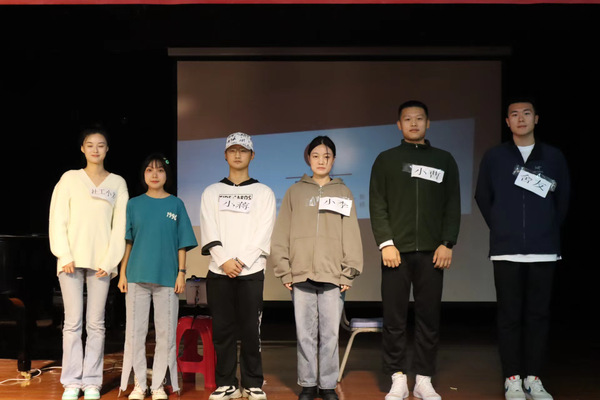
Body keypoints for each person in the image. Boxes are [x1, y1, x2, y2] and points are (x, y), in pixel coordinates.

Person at [475, 98, 569, 400]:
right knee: (509, 317)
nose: (520, 118)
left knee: (538, 316)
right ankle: (512, 378)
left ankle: (534, 378)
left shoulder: (553, 156)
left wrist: (547, 227)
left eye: (526, 113)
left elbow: (563, 198)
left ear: (536, 119)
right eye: (514, 114)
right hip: (507, 250)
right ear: (507, 122)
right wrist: (502, 227)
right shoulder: (495, 156)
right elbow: (482, 195)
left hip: (544, 249)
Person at [369, 100, 461, 400]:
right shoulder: (386, 159)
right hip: (395, 252)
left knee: (428, 318)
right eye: (407, 119)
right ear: (399, 125)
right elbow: (377, 203)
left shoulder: (444, 159)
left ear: (428, 123)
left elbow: (452, 204)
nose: (413, 123)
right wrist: (386, 243)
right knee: (394, 318)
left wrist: (447, 242)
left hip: (433, 252)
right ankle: (397, 377)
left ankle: (423, 379)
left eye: (419, 118)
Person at [271, 136, 363, 400]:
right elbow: (281, 233)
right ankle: (308, 383)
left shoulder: (343, 192)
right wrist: (284, 269)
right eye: (316, 156)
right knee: (305, 334)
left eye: (327, 156)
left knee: (330, 333)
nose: (321, 161)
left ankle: (328, 385)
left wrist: (349, 270)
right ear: (308, 158)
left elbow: (351, 233)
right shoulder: (295, 192)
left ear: (333, 159)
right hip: (301, 272)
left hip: (333, 274)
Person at [49, 127, 128, 400]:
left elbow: (120, 225)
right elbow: (57, 218)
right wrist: (64, 254)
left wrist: (111, 259)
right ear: (82, 148)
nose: (95, 149)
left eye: (101, 145)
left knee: (96, 324)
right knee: (72, 323)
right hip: (70, 260)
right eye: (90, 144)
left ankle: (92, 381)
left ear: (107, 149)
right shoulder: (70, 178)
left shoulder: (117, 183)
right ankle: (71, 382)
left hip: (102, 262)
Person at [200, 132, 276, 400]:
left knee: (251, 331)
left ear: (252, 155)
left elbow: (264, 231)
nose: (237, 154)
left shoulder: (263, 192)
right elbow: (209, 227)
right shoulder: (212, 191)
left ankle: (253, 383)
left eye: (243, 150)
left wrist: (241, 261)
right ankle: (226, 384)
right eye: (232, 150)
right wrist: (224, 260)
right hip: (219, 271)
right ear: (225, 155)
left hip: (251, 271)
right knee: (223, 331)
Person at [117, 154, 198, 400]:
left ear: (166, 175)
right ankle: (140, 384)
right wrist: (122, 273)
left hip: (167, 278)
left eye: (160, 170)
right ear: (143, 175)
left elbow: (182, 243)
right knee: (135, 334)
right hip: (136, 276)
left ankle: (158, 385)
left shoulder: (176, 204)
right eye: (150, 170)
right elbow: (128, 242)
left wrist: (181, 273)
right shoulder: (134, 204)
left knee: (166, 335)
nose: (155, 174)